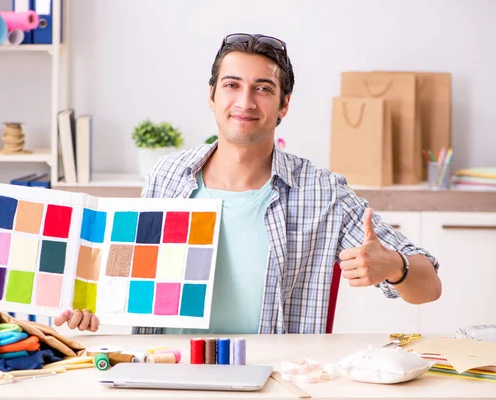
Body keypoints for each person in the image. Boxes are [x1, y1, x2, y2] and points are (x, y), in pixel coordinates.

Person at [55, 33, 442, 334]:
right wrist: (89, 304)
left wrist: (395, 266)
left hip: (274, 379)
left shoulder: (323, 192)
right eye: (232, 85)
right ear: (211, 95)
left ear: (283, 105)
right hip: (167, 371)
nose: (246, 101)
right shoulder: (166, 177)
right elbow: (124, 275)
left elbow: (430, 286)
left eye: (263, 88)